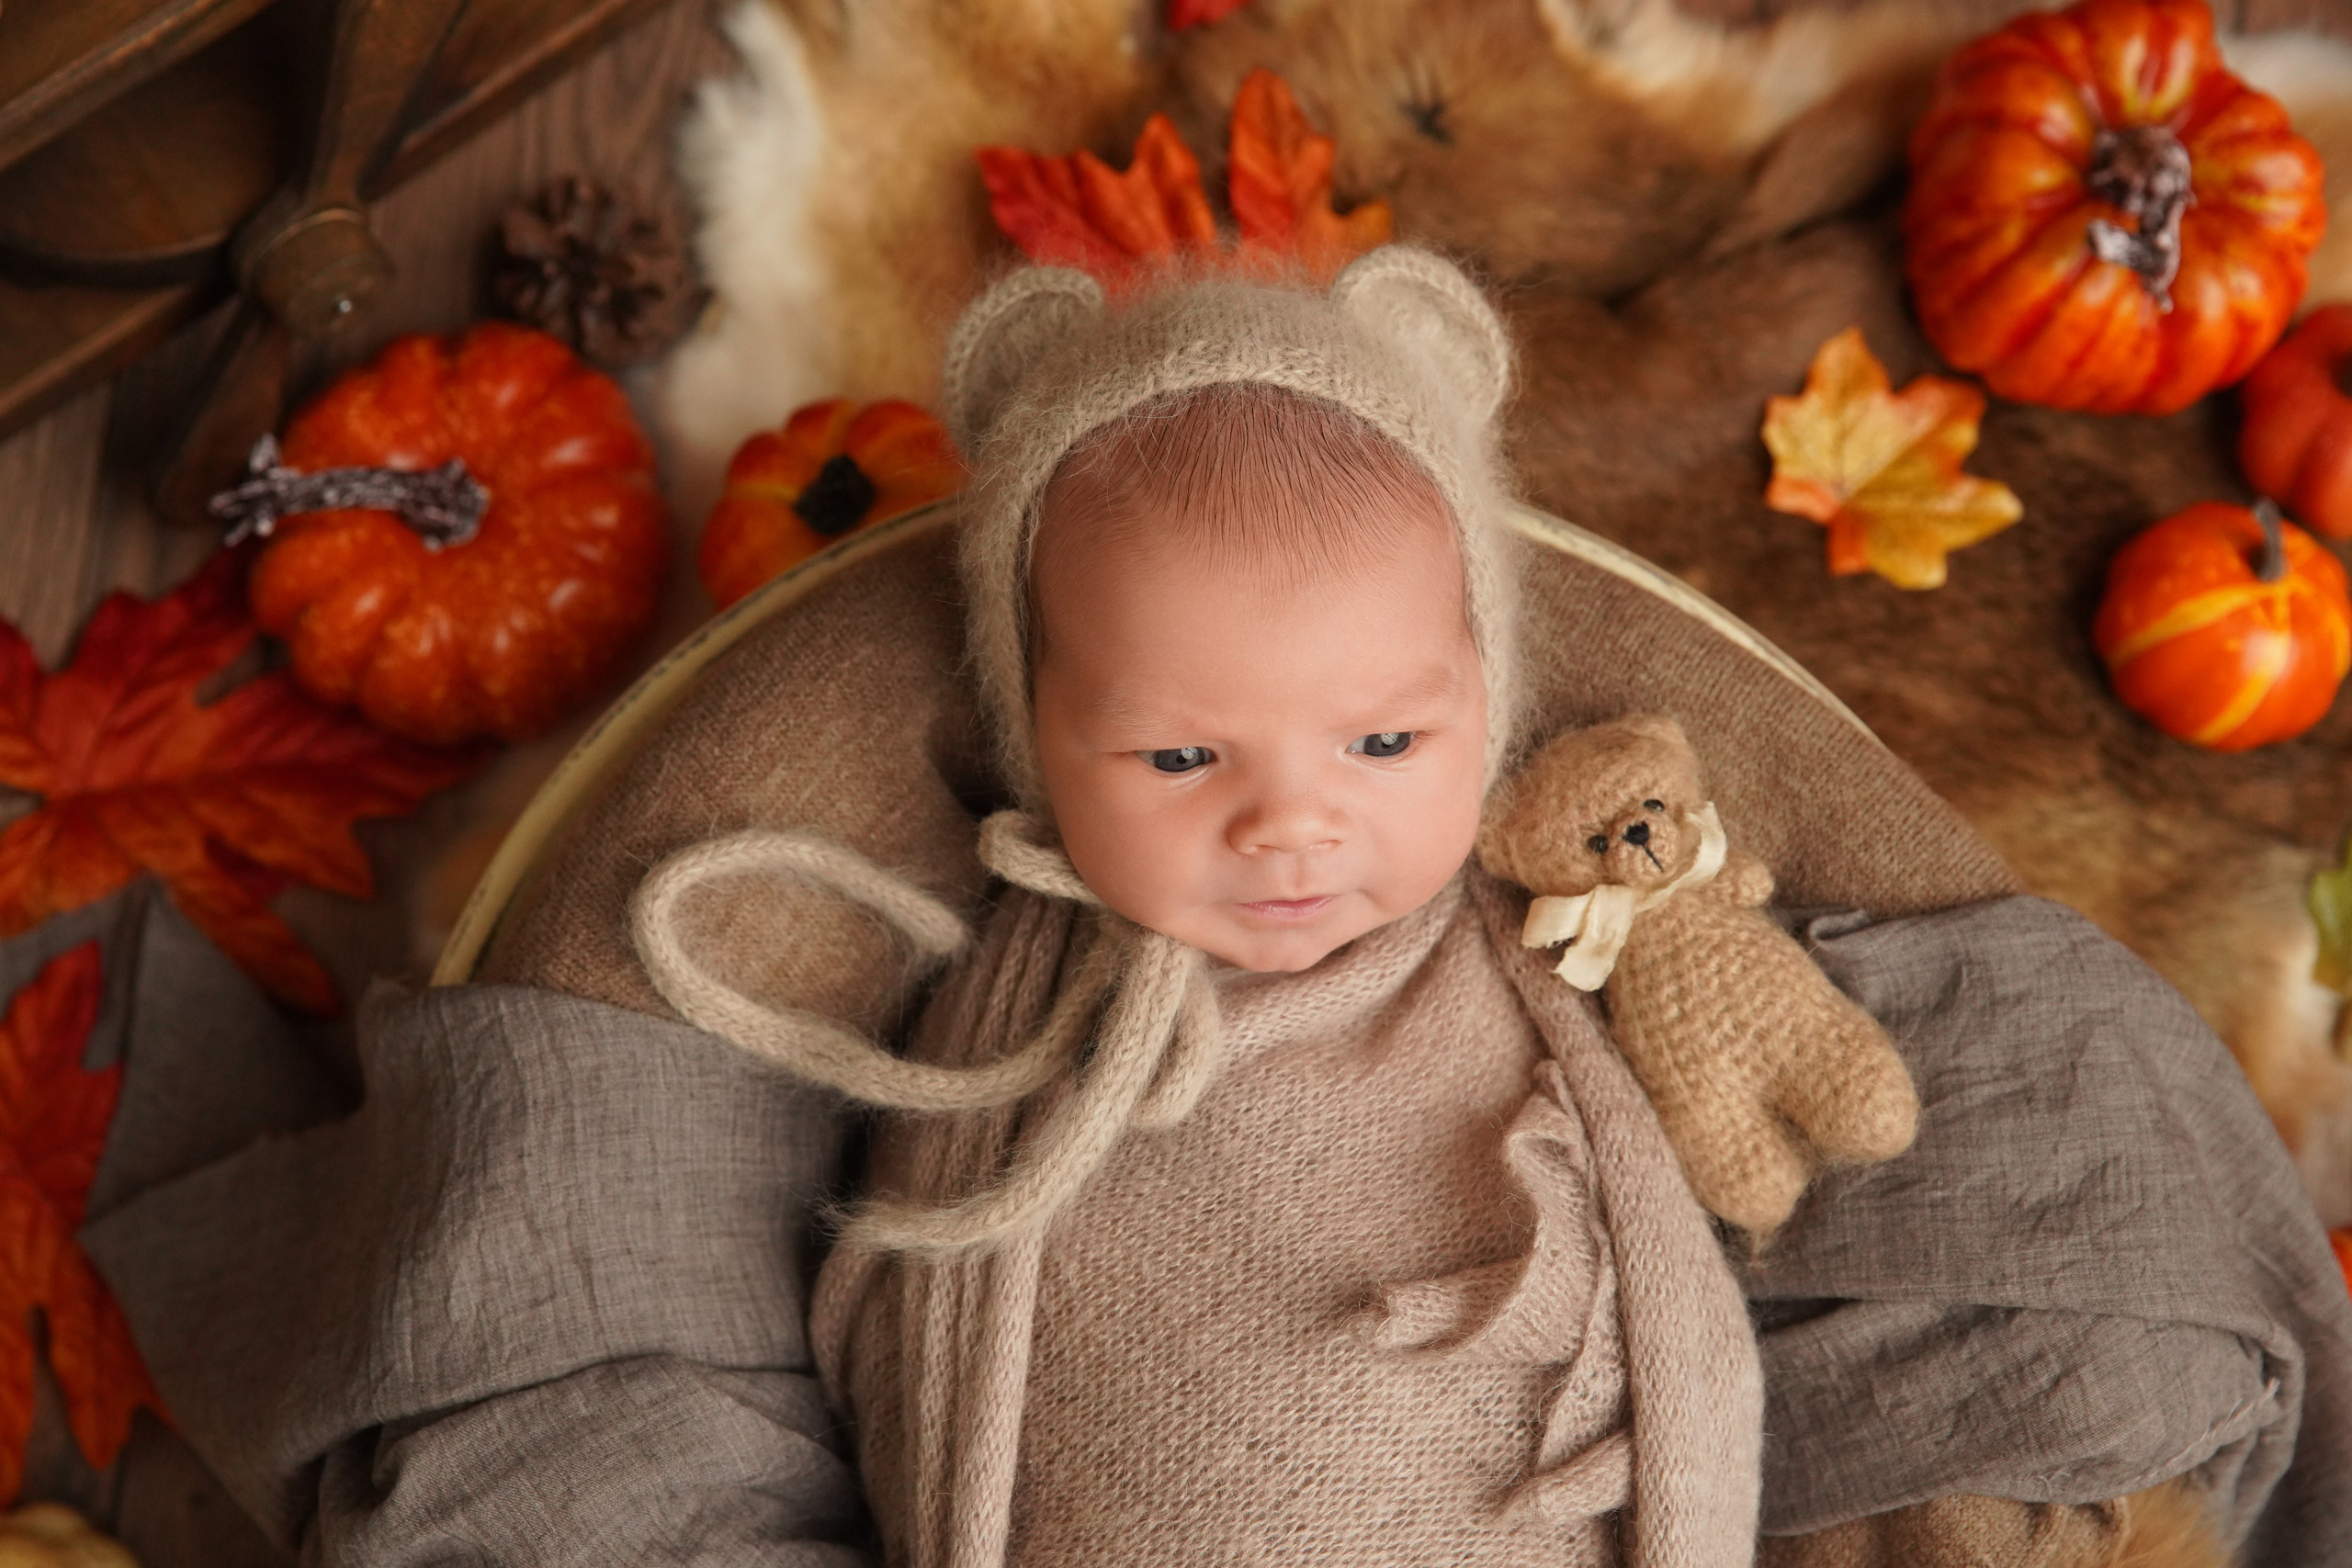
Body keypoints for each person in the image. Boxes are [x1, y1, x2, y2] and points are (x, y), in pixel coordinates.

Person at [85, 251, 2352, 1567]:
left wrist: (1682, 944)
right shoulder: (990, 1000)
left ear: (1483, 696)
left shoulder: (1544, 916)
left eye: (1380, 741)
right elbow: (881, 1269)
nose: (1292, 828)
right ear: (1035, 736)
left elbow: (1709, 1151)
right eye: (1178, 760)